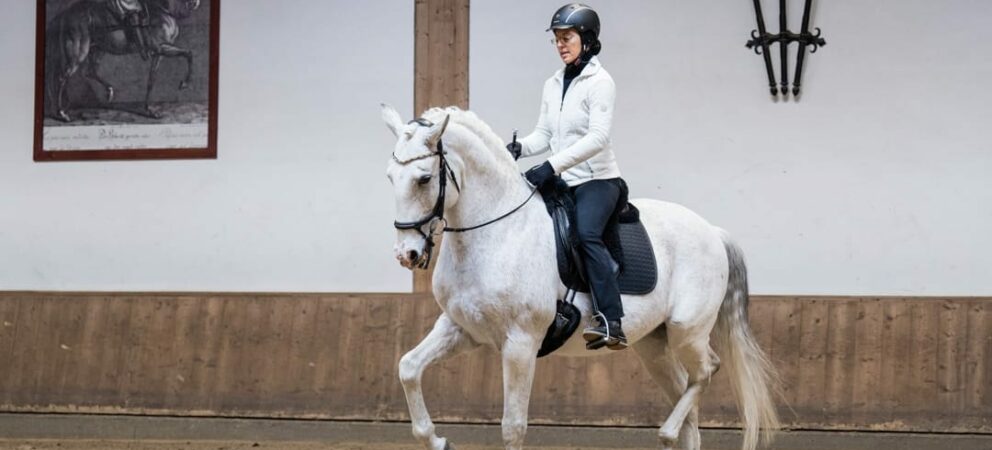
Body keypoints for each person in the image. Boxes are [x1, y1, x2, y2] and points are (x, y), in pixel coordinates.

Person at [507, 4, 628, 350]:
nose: (561, 44)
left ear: (587, 40)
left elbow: (598, 138)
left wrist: (551, 167)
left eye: (567, 37)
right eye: (557, 39)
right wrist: (519, 148)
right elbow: (544, 134)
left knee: (587, 234)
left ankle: (611, 320)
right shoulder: (553, 82)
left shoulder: (601, 82)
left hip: (597, 180)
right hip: (564, 178)